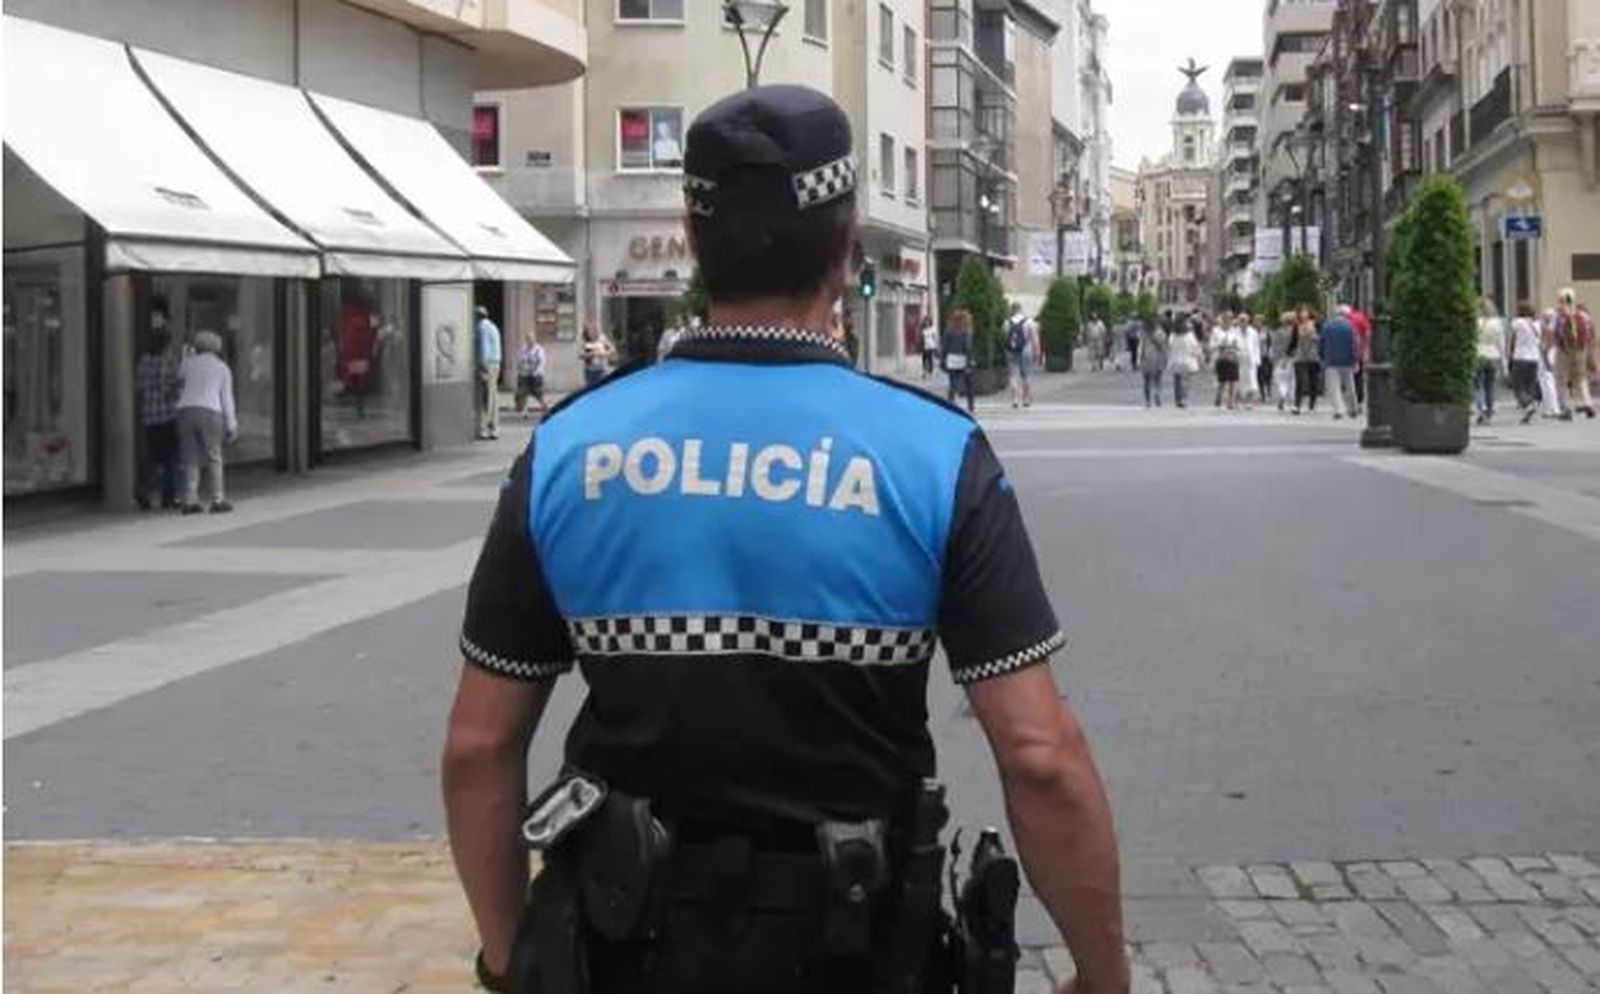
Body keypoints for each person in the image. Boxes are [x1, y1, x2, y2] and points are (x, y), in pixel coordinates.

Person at [444, 84, 1128, 994]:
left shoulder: (570, 449)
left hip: (621, 946)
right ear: (848, 248)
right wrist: (1102, 973)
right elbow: (1040, 755)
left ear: (693, 241)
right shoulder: (932, 454)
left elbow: (479, 748)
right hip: (860, 946)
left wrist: (508, 958)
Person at [174, 330, 237, 515]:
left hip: (185, 410)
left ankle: (190, 500)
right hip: (210, 410)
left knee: (190, 458)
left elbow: (179, 377)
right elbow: (226, 398)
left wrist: (186, 355)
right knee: (214, 456)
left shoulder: (189, 364)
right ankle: (217, 498)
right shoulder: (222, 368)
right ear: (217, 347)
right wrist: (231, 425)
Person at [134, 308, 181, 511]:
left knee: (154, 458)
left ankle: (145, 490)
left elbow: (139, 386)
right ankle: (168, 496)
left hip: (149, 416)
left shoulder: (144, 360)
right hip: (168, 414)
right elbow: (173, 386)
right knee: (171, 458)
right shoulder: (169, 359)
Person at [1551, 287, 1596, 419]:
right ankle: (1588, 403)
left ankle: (1566, 408)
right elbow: (1591, 333)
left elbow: (1552, 332)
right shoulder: (1583, 315)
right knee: (1581, 378)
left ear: (1560, 300)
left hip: (1563, 350)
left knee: (1561, 379)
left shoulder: (1558, 315)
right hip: (1581, 349)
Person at [1321, 306, 1360, 420]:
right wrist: (1356, 359)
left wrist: (1323, 357)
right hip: (1348, 360)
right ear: (1346, 315)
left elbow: (1321, 344)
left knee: (1334, 387)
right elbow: (1355, 345)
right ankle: (1353, 409)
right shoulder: (1351, 327)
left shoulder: (1327, 326)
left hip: (1331, 361)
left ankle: (1339, 410)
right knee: (1350, 385)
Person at [1507, 301, 1543, 424]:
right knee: (1530, 385)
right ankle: (1529, 408)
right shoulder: (1537, 324)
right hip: (1534, 358)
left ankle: (1527, 405)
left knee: (1517, 385)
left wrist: (1509, 355)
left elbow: (1512, 338)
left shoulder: (1517, 323)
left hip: (1520, 357)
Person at [1473, 298, 1506, 425]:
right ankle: (1489, 411)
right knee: (1490, 386)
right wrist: (1504, 361)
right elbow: (1501, 343)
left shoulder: (1476, 322)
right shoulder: (1497, 323)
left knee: (1478, 384)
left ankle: (1481, 407)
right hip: (1493, 355)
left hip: (1479, 354)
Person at [475, 305, 503, 440]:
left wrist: (482, 367)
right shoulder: (493, 326)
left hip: (488, 364)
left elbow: (484, 349)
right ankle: (494, 428)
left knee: (487, 398)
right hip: (496, 363)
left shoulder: (482, 328)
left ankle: (485, 429)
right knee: (493, 396)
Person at [942, 307, 976, 412]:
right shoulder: (966, 331)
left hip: (951, 359)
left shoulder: (949, 330)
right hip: (963, 358)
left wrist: (943, 359)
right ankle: (971, 406)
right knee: (969, 383)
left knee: (953, 383)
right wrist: (970, 361)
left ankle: (950, 403)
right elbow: (968, 347)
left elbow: (944, 346)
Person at [1005, 302, 1038, 408]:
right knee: (1026, 375)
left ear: (1012, 310)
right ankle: (1026, 400)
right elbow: (1034, 338)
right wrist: (1037, 351)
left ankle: (1015, 400)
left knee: (1013, 375)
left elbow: (1005, 338)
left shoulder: (1007, 322)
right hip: (1026, 350)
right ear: (1020, 310)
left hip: (1011, 351)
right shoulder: (1029, 322)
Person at [1291, 307, 1322, 415]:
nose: (1303, 314)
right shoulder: (1297, 326)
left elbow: (1321, 339)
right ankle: (1297, 405)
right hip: (1300, 356)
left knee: (1313, 381)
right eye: (1301, 312)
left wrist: (1315, 337)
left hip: (1313, 356)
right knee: (1300, 380)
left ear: (1309, 314)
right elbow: (1293, 341)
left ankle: (1312, 405)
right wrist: (1287, 355)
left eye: (1305, 312)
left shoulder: (1316, 324)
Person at [1166, 316, 1202, 408]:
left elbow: (1170, 347)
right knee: (1186, 382)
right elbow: (1195, 347)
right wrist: (1198, 355)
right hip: (1187, 361)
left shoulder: (1172, 335)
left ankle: (1177, 399)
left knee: (1177, 381)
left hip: (1175, 361)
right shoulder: (1189, 335)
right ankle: (1184, 399)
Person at [513, 333, 549, 418]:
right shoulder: (523, 349)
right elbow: (519, 360)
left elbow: (542, 362)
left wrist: (537, 371)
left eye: (531, 339)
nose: (529, 341)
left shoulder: (539, 349)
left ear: (534, 339)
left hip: (535, 376)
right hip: (524, 375)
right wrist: (520, 369)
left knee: (539, 394)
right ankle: (525, 412)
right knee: (523, 394)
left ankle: (545, 409)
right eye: (528, 339)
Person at [1211, 315, 1243, 411]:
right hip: (1221, 358)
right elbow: (1211, 345)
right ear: (1222, 322)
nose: (1227, 323)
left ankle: (1231, 402)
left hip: (1233, 358)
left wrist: (1235, 345)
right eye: (1225, 321)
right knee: (1222, 381)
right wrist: (1220, 344)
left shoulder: (1235, 332)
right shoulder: (1215, 331)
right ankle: (1218, 397)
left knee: (1233, 381)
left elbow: (1240, 345)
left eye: (1229, 321)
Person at [1270, 311, 1296, 411]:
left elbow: (1275, 347)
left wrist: (1275, 359)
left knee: (1281, 380)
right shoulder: (1296, 332)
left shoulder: (1278, 332)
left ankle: (1282, 394)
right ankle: (1292, 400)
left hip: (1281, 359)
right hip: (1294, 358)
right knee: (1293, 381)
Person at [1138, 318, 1168, 408]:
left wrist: (1139, 358)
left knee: (1146, 381)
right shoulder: (1160, 333)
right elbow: (1163, 346)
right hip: (1157, 358)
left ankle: (1148, 400)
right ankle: (1157, 395)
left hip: (1146, 358)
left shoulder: (1142, 333)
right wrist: (1166, 357)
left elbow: (1140, 347)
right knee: (1157, 380)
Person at [1238, 313, 1263, 409]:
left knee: (1251, 381)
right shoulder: (1235, 332)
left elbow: (1257, 347)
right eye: (1241, 320)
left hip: (1250, 360)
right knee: (1240, 380)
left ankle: (1249, 401)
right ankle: (1241, 400)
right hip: (1239, 359)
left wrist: (1257, 360)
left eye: (1245, 320)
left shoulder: (1253, 332)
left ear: (1248, 321)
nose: (1243, 322)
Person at [579, 321, 615, 387]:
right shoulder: (584, 340)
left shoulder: (602, 338)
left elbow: (612, 349)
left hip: (601, 369)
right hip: (589, 370)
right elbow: (580, 354)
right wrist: (591, 354)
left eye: (593, 330)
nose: (591, 332)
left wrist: (603, 353)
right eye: (589, 330)